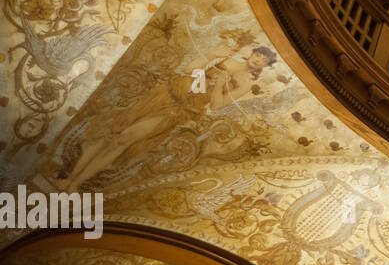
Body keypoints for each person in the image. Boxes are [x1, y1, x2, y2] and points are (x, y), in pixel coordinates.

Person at [57, 47, 277, 191]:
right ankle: (71, 179)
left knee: (126, 138)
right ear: (252, 53)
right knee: (114, 134)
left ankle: (77, 182)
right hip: (168, 94)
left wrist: (219, 84)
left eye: (264, 61)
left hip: (182, 109)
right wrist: (212, 56)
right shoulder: (227, 59)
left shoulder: (246, 84)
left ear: (266, 67)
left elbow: (217, 104)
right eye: (258, 55)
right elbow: (192, 70)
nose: (258, 60)